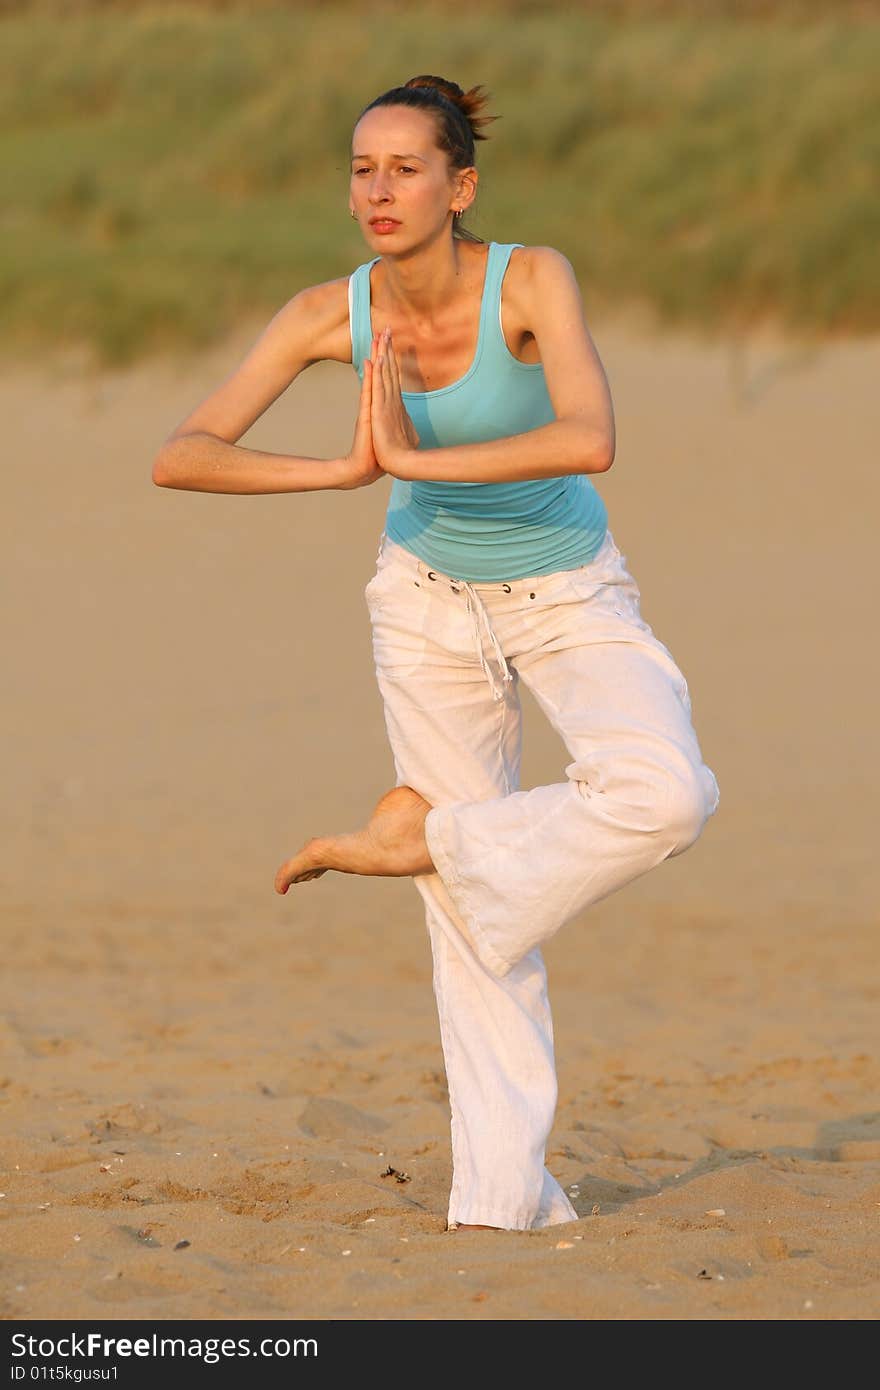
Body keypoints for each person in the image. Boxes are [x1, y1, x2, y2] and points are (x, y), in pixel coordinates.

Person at [154, 75, 720, 1235]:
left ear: (459, 187)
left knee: (665, 793)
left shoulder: (532, 277)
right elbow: (183, 451)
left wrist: (415, 466)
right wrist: (341, 470)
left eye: (405, 167)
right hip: (423, 605)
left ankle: (432, 836)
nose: (378, 188)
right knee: (467, 923)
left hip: (565, 589)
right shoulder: (329, 310)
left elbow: (588, 435)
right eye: (362, 168)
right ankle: (498, 1207)